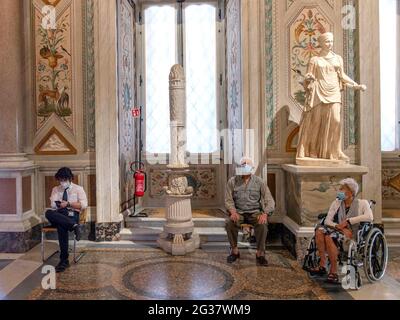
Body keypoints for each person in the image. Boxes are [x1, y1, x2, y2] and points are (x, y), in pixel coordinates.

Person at [296, 32, 366, 162]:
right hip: (319, 92)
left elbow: (342, 75)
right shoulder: (314, 60)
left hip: (334, 92)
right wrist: (308, 78)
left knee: (336, 121)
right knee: (316, 122)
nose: (330, 44)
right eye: (327, 41)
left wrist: (356, 85)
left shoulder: (338, 58)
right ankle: (312, 150)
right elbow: (308, 76)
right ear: (321, 43)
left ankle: (335, 151)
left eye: (331, 41)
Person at [309, 178, 373, 284]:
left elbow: (369, 217)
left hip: (352, 235)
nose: (340, 191)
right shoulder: (337, 202)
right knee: (319, 231)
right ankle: (322, 265)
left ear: (351, 192)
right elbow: (328, 220)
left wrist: (348, 221)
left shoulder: (363, 203)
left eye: (342, 188)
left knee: (329, 236)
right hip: (337, 230)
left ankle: (333, 271)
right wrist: (338, 226)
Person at [225, 157, 275, 267]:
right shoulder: (232, 181)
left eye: (247, 164)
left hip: (255, 212)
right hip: (239, 212)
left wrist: (265, 213)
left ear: (252, 168)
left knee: (262, 224)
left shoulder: (259, 182)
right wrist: (232, 211)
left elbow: (269, 200)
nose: (245, 166)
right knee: (229, 223)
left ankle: (260, 253)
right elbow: (228, 200)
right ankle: (234, 251)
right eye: (243, 164)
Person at [45, 167, 88, 273]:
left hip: (72, 214)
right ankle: (74, 226)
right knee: (48, 212)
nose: (62, 182)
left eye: (64, 180)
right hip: (60, 213)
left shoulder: (78, 189)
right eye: (60, 180)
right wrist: (59, 205)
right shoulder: (56, 189)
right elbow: (52, 205)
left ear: (70, 178)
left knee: (61, 226)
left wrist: (68, 204)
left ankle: (63, 260)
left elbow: (83, 205)